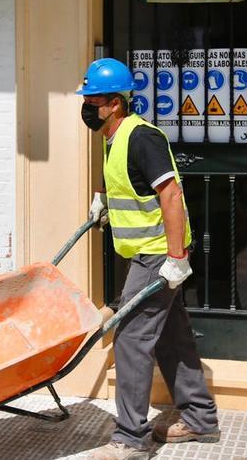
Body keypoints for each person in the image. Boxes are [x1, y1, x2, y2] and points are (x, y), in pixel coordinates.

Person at [78, 58, 220, 460]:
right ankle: (199, 418)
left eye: (94, 100)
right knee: (172, 336)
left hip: (158, 255)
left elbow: (170, 194)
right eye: (86, 99)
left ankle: (130, 438)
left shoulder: (143, 137)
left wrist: (177, 258)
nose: (87, 107)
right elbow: (124, 176)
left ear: (116, 103)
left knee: (130, 339)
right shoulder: (114, 136)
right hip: (148, 253)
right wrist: (102, 199)